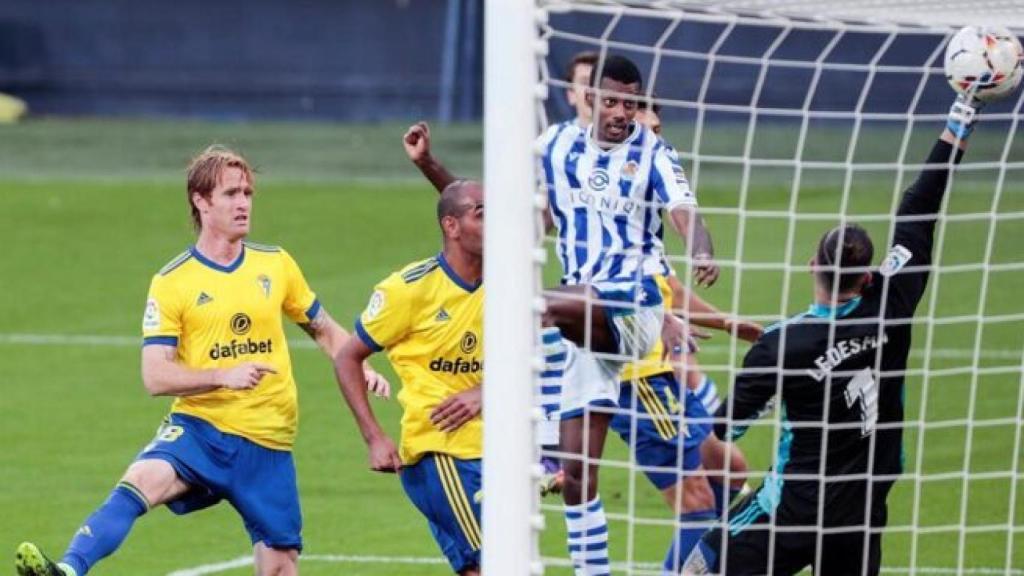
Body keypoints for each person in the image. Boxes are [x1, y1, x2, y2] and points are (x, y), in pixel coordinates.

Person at [14, 146, 387, 576]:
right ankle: (68, 569)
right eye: (231, 193)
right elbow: (155, 375)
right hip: (201, 430)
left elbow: (324, 328)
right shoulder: (173, 282)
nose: (244, 203)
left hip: (268, 443)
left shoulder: (276, 264)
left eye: (248, 192)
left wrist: (360, 363)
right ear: (201, 200)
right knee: (141, 480)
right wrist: (222, 376)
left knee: (281, 566)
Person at [682, 95, 982, 575]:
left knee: (695, 570)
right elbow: (919, 207)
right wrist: (961, 118)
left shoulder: (782, 343)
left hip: (790, 513)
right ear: (867, 276)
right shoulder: (892, 301)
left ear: (812, 265)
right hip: (862, 511)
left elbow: (721, 432)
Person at [333, 180, 484, 576]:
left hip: (493, 452)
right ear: (451, 226)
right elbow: (348, 357)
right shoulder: (409, 289)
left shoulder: (509, 283)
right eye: (482, 215)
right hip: (442, 455)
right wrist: (374, 437)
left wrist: (486, 392)